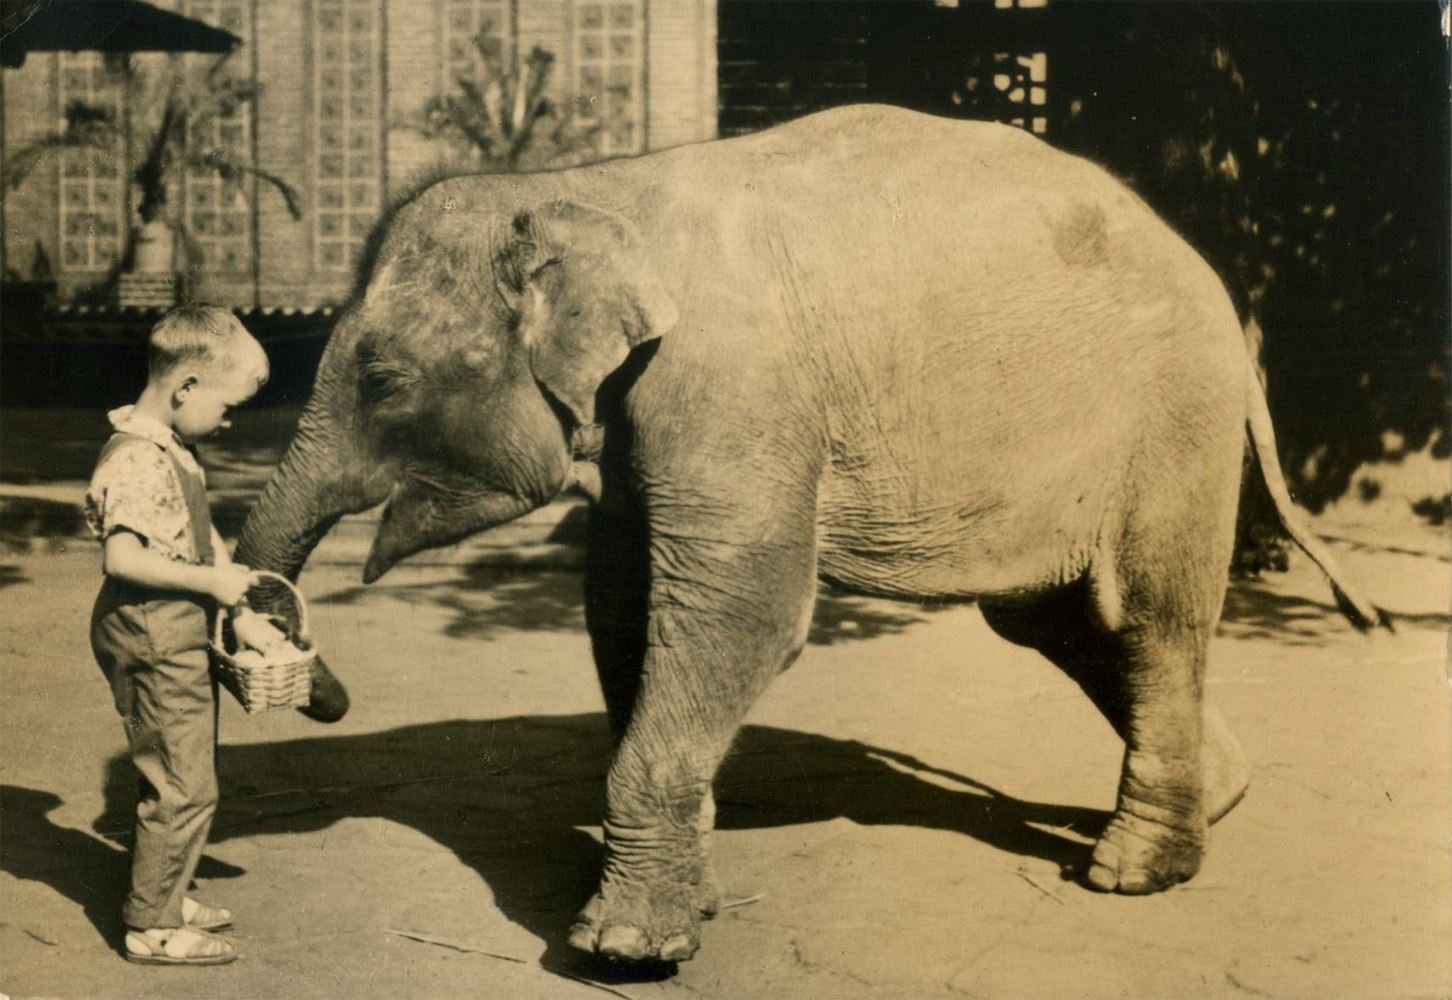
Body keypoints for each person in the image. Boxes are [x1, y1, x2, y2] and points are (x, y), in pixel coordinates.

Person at [85, 304, 269, 966]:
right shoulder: (137, 457)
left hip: (173, 630)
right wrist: (211, 584)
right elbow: (122, 559)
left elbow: (200, 534)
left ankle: (165, 885)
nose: (230, 420)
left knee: (179, 768)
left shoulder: (171, 448)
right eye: (227, 406)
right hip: (151, 634)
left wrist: (239, 607)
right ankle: (152, 924)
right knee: (184, 782)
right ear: (186, 387)